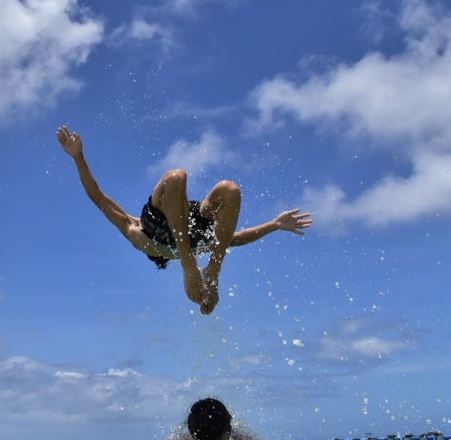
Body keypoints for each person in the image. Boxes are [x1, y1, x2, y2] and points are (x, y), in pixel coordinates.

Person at [56, 125, 312, 314]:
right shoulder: (143, 237)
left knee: (207, 185)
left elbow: (97, 197)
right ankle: (200, 269)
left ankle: (213, 271)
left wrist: (78, 157)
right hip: (184, 232)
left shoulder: (134, 228)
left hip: (176, 219)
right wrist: (273, 225)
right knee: (202, 184)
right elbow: (236, 239)